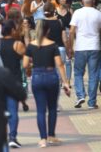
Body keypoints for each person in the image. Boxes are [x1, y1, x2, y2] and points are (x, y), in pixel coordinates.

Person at [23, 20, 70, 148]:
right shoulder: (53, 45)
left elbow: (25, 64)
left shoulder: (31, 46)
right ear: (48, 31)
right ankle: (51, 136)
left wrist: (34, 65)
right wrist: (65, 83)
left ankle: (42, 139)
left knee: (40, 110)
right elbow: (60, 64)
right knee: (52, 108)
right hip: (51, 77)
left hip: (37, 77)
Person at [69, 0, 101, 109]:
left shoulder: (77, 13)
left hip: (80, 47)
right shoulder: (99, 14)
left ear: (82, 2)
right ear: (94, 2)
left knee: (78, 73)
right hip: (95, 47)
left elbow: (71, 31)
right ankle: (92, 102)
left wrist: (70, 47)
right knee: (93, 74)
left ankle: (80, 95)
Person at [0, 20, 26, 148]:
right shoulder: (17, 44)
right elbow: (27, 59)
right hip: (14, 81)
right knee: (13, 110)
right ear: (12, 30)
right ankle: (12, 137)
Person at [43, 2, 70, 84]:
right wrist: (68, 50)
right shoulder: (60, 22)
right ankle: (61, 82)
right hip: (60, 48)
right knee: (60, 68)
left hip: (46, 49)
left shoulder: (42, 23)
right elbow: (65, 39)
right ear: (54, 11)